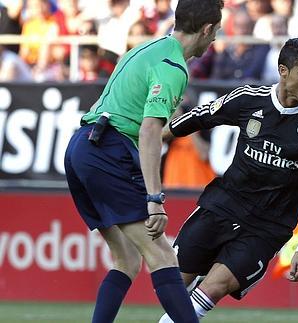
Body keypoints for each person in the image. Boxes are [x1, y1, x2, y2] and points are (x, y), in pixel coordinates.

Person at [63, 0, 223, 322]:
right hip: (108, 150)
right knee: (162, 254)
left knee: (127, 260)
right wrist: (154, 199)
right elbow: (150, 131)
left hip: (81, 146)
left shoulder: (145, 49)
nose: (215, 39)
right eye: (216, 31)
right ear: (206, 29)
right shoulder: (173, 67)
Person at [158, 38, 298, 322]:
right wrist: (149, 140)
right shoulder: (248, 98)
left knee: (213, 288)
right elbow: (201, 117)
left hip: (267, 226)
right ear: (283, 70)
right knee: (174, 284)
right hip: (223, 205)